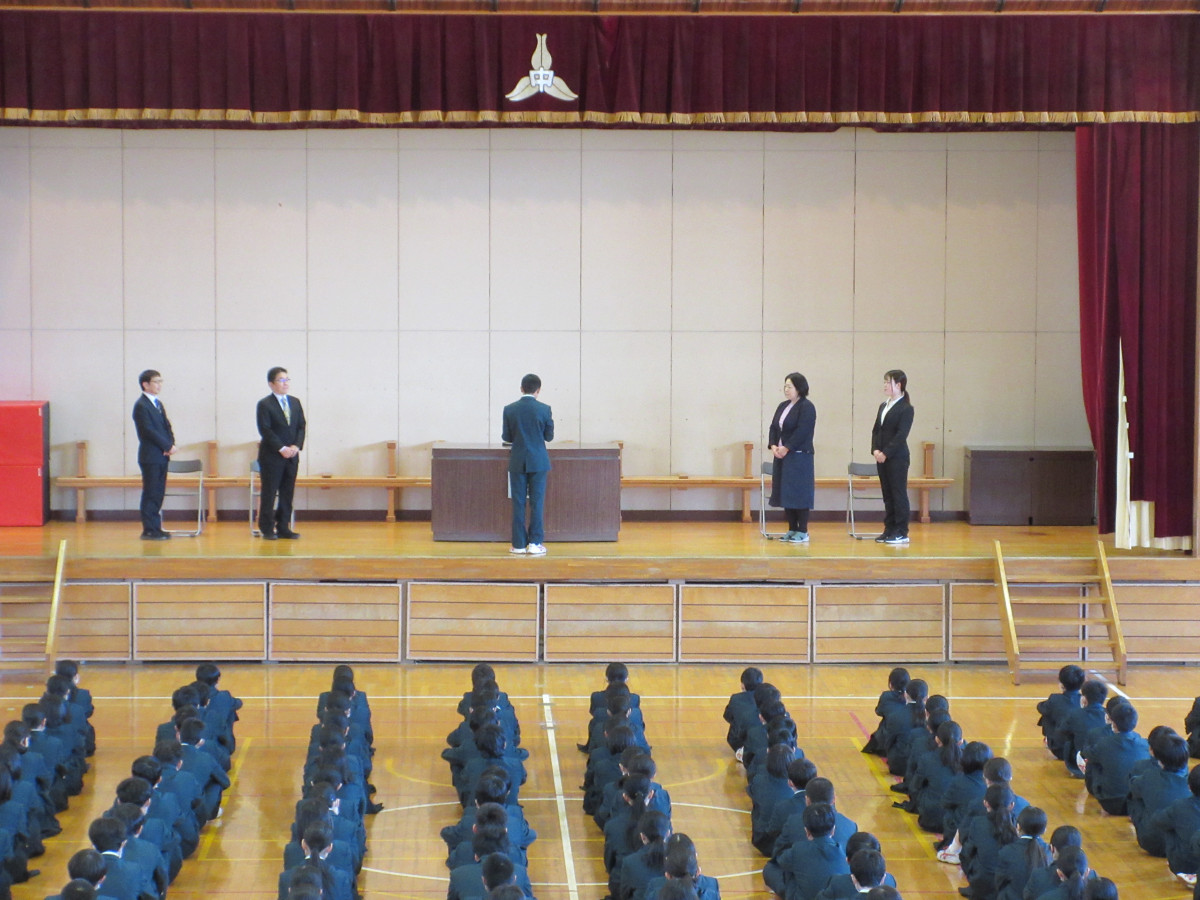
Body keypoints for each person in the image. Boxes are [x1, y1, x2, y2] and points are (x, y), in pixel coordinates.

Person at [502, 373, 554, 556]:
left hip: (517, 461)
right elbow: (549, 437)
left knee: (518, 503)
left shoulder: (509, 409)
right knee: (537, 502)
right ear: (538, 390)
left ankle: (518, 545)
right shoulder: (545, 409)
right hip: (538, 461)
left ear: (521, 388)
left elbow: (506, 437)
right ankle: (535, 543)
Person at [256, 366, 305, 540]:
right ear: (271, 384)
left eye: (287, 379)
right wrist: (281, 448)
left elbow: (301, 426)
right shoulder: (265, 404)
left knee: (287, 492)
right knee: (269, 492)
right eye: (281, 380)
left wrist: (296, 446)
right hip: (272, 456)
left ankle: (283, 526)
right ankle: (267, 528)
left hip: (292, 456)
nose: (285, 383)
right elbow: (265, 429)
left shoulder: (295, 402)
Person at [767, 372, 817, 544]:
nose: (786, 389)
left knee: (799, 492)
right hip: (782, 455)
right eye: (785, 386)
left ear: (799, 388)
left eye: (790, 386)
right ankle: (792, 528)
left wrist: (787, 447)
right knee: (786, 492)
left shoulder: (807, 407)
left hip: (799, 456)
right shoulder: (783, 406)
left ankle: (802, 530)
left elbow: (803, 431)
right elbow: (774, 428)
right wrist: (773, 445)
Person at [131, 369, 176, 541]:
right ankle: (149, 529)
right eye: (156, 381)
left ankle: (156, 527)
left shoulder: (158, 404)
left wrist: (170, 444)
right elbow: (148, 431)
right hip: (150, 455)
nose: (159, 385)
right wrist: (166, 445)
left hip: (162, 455)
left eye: (160, 381)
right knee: (151, 492)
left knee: (158, 492)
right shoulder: (141, 406)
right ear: (145, 384)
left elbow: (166, 426)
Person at [871, 369, 914, 545]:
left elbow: (901, 435)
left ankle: (901, 531)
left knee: (898, 494)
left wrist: (886, 453)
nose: (885, 385)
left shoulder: (906, 408)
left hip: (897, 458)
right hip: (881, 457)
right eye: (884, 382)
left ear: (899, 385)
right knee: (887, 495)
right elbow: (876, 430)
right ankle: (889, 529)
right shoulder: (883, 405)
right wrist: (875, 450)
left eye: (888, 382)